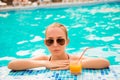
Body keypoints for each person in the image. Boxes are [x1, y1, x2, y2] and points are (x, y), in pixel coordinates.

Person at [8, 22, 110, 71]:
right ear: (45, 43)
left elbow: (104, 62)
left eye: (60, 40)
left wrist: (75, 64)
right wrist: (45, 63)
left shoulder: (74, 59)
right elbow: (12, 65)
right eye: (50, 41)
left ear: (67, 42)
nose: (55, 45)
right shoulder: (44, 58)